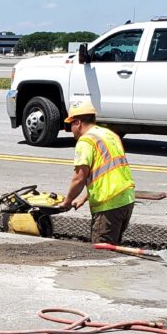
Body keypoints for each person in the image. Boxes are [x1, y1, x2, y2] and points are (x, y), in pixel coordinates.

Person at [59, 101, 136, 245]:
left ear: (78, 123)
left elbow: (79, 178)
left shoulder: (86, 141)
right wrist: (84, 197)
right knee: (113, 248)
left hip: (108, 204)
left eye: (70, 124)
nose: (70, 129)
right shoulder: (109, 134)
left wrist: (67, 201)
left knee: (102, 253)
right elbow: (107, 173)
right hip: (126, 199)